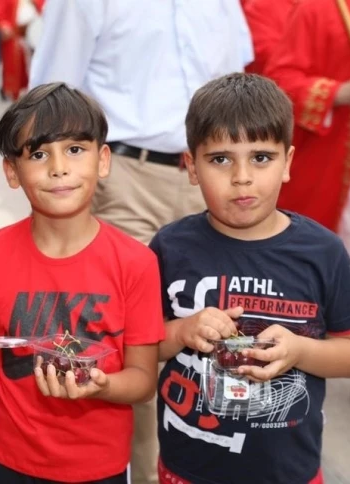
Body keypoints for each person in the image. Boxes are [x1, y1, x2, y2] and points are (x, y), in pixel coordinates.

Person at [28, 2, 253, 482]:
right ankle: (145, 473)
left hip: (211, 173)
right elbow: (50, 96)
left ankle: (202, 464)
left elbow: (237, 79)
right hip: (127, 176)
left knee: (215, 324)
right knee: (130, 336)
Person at [151, 73, 350, 484]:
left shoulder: (322, 252)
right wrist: (182, 331)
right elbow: (140, 346)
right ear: (192, 166)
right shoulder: (170, 246)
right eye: (220, 159)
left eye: (261, 157)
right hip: (187, 468)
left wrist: (300, 350)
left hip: (289, 472)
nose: (242, 177)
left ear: (287, 162)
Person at [0, 82, 164, 484]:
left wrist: (100, 385)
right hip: (12, 458)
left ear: (103, 160)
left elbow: (143, 381)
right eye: (38, 154)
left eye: (75, 149)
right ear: (12, 171)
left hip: (99, 464)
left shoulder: (136, 262)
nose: (58, 167)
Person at [263, 0, 350, 414]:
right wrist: (342, 92)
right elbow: (279, 82)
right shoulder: (321, 9)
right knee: (305, 270)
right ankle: (278, 364)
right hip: (339, 166)